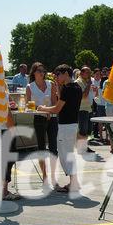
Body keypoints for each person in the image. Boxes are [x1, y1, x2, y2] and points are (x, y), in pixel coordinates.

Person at [37, 64, 82, 193]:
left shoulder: (68, 89)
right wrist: (57, 86)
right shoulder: (76, 87)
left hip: (66, 126)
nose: (57, 77)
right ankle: (74, 182)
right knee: (69, 154)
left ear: (66, 74)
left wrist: (43, 108)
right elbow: (62, 99)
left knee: (65, 155)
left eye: (58, 74)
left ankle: (74, 182)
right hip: (72, 124)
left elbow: (57, 108)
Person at [26, 62, 59, 188]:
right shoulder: (30, 86)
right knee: (41, 148)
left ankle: (54, 178)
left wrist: (49, 111)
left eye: (43, 70)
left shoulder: (50, 84)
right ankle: (45, 176)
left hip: (52, 118)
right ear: (34, 72)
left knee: (53, 149)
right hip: (39, 118)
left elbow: (55, 103)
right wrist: (43, 110)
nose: (42, 72)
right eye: (39, 70)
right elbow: (29, 106)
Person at [75, 66, 95, 154]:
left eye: (90, 73)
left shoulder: (86, 82)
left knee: (88, 130)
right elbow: (84, 96)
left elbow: (91, 95)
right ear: (81, 73)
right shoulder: (78, 82)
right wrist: (89, 84)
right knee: (82, 130)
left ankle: (84, 146)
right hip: (81, 109)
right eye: (88, 73)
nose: (90, 75)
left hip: (88, 108)